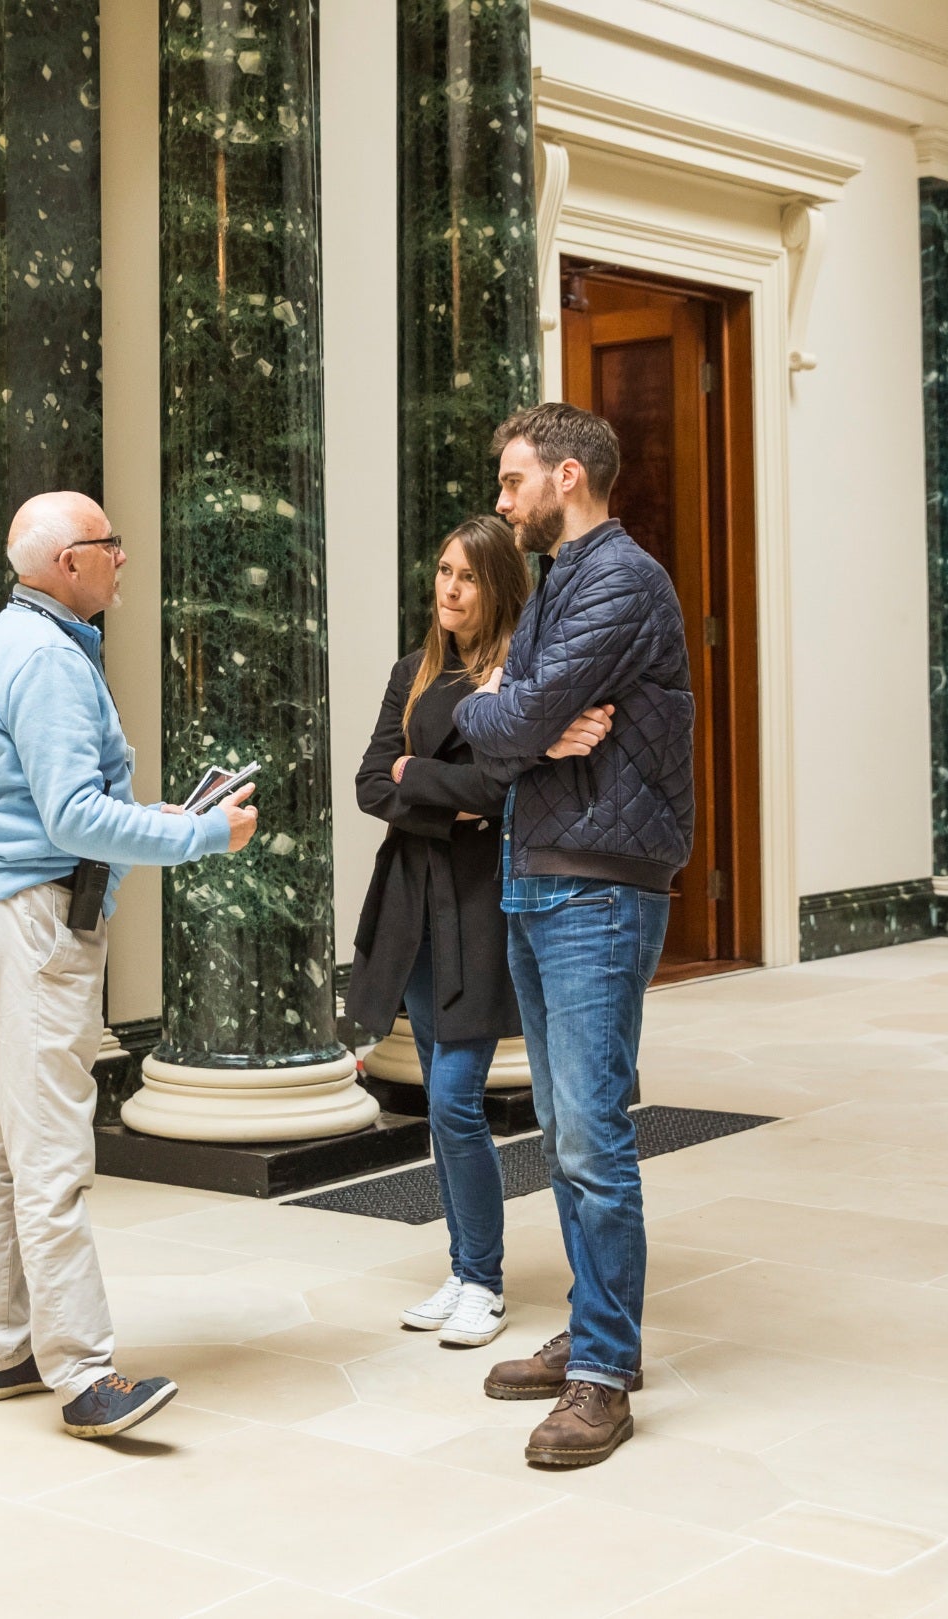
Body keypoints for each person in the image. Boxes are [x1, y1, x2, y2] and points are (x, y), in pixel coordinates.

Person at [0, 490, 257, 1440]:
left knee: (4, 1143)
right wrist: (202, 833)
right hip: (35, 927)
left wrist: (157, 821)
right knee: (48, 1154)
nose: (123, 556)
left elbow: (70, 807)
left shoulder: (27, 639)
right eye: (108, 542)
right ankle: (84, 1378)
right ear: (64, 563)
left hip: (6, 919)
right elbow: (73, 818)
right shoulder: (45, 657)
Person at [452, 402, 696, 1470]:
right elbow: (487, 715)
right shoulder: (560, 581)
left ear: (566, 476)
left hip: (598, 884)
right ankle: (596, 1332)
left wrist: (517, 714)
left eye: (513, 483)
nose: (502, 506)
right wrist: (519, 715)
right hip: (540, 871)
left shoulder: (621, 579)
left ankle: (603, 1372)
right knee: (562, 1127)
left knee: (594, 1135)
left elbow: (503, 721)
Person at [348, 515, 608, 1350]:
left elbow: (497, 792)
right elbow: (365, 782)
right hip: (411, 902)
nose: (449, 588)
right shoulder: (411, 671)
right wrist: (436, 794)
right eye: (442, 571)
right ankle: (462, 1266)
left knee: (458, 1097)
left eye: (467, 575)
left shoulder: (517, 677)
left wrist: (412, 777)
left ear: (496, 586)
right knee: (436, 1092)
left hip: (478, 903)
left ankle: (485, 1282)